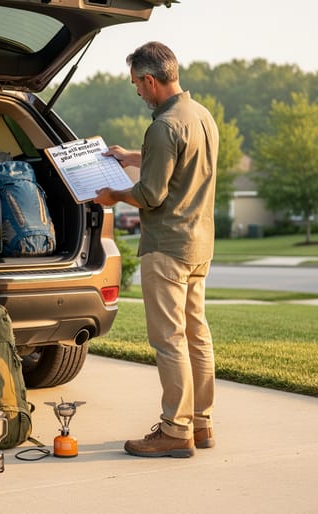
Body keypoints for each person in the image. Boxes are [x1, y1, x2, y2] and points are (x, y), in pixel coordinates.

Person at [93, 41, 218, 458]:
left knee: (169, 339)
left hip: (166, 246)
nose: (137, 92)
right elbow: (183, 163)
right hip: (199, 242)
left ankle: (175, 430)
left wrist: (114, 195)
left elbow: (150, 194)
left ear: (150, 79)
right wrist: (132, 155)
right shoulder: (201, 116)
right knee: (196, 334)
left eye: (136, 85)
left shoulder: (163, 126)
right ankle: (201, 423)